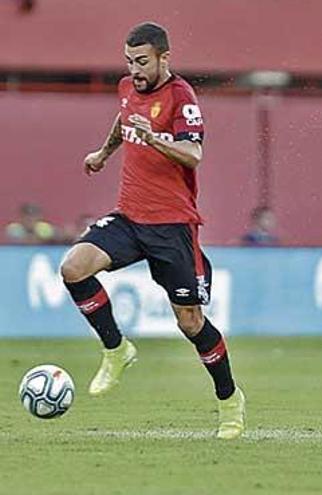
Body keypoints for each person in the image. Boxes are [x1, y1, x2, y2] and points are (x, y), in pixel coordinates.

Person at [58, 22, 244, 439]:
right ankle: (116, 349)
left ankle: (230, 400)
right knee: (74, 268)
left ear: (164, 57)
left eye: (142, 61)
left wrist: (154, 137)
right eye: (129, 62)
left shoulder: (182, 97)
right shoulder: (127, 88)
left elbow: (193, 155)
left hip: (172, 226)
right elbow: (124, 118)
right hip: (130, 218)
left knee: (191, 322)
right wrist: (104, 152)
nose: (135, 70)